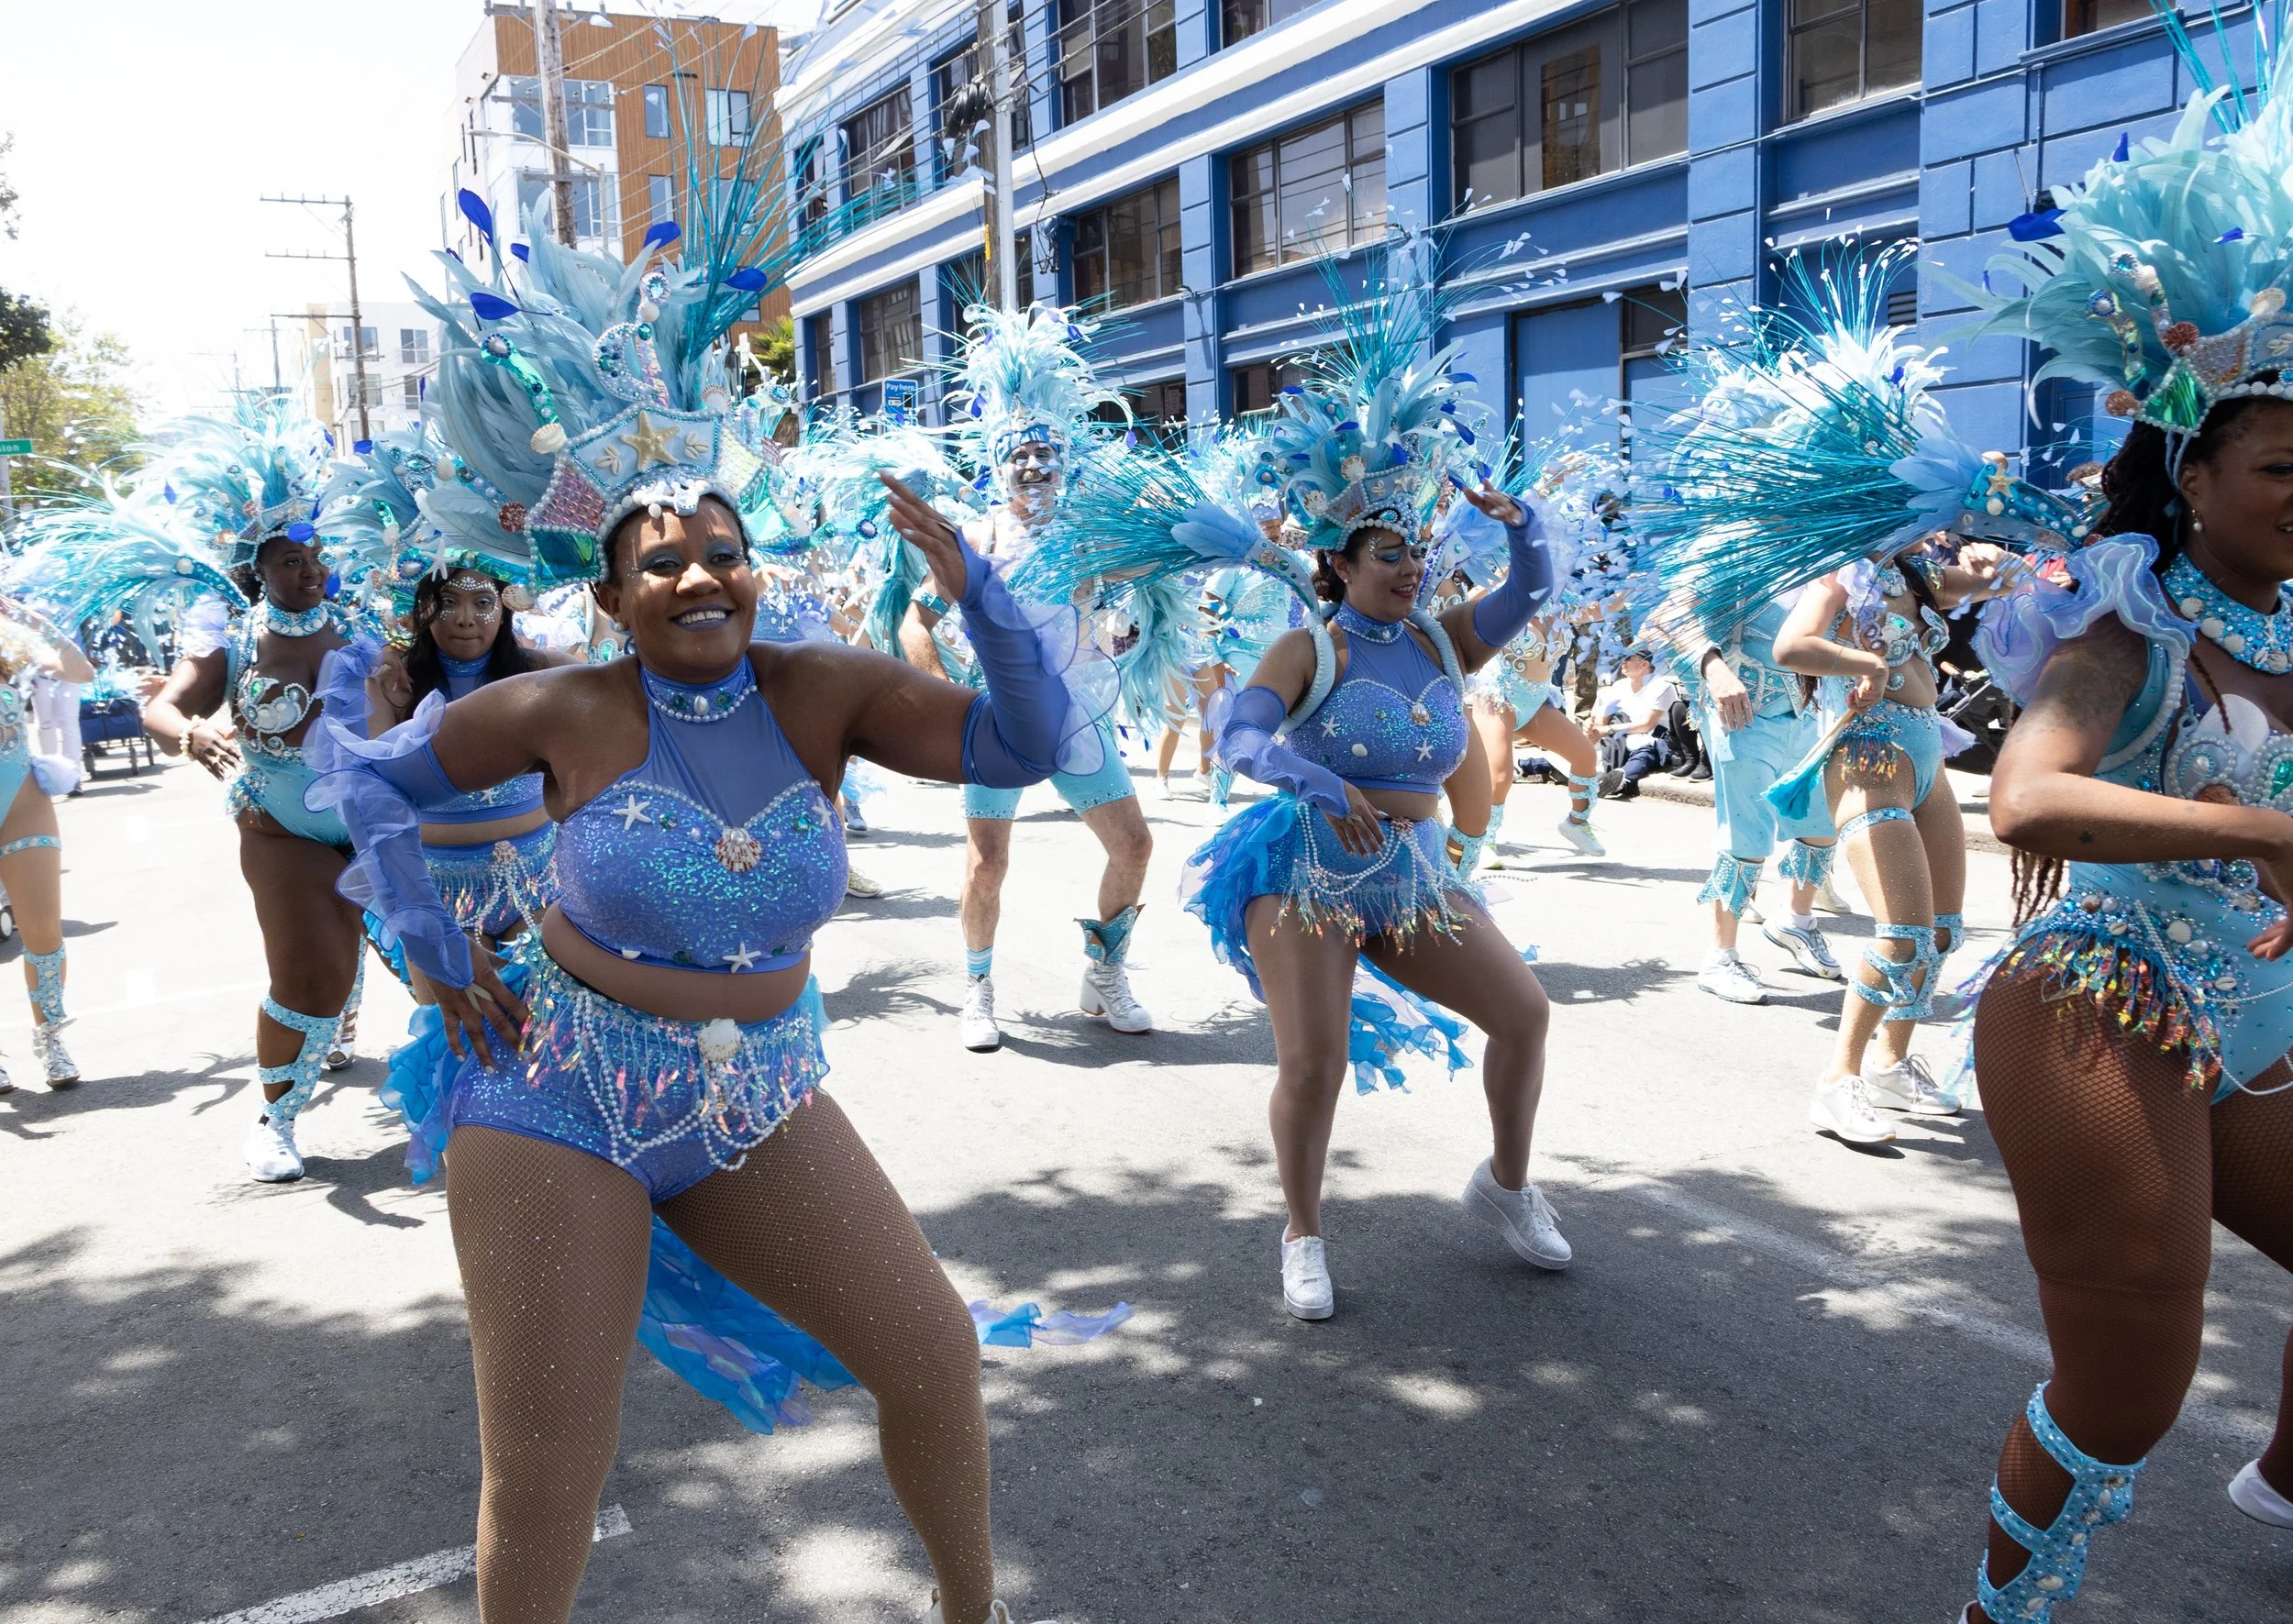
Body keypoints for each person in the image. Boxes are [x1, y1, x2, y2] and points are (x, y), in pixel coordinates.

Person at [324, 213, 1119, 1624]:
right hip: (556, 1092)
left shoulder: (826, 690)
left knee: (932, 1350)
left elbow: (1024, 744)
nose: (698, 575)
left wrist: (980, 595)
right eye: (661, 562)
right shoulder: (562, 705)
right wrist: (433, 950)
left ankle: (973, 1613)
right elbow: (368, 780)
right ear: (612, 596)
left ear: (755, 569)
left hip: (756, 1094)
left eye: (723, 552)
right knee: (554, 1467)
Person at [1943, 31, 2293, 1618]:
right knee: (2128, 1382)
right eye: (2287, 462)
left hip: (2262, 1011)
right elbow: (2028, 794)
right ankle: (2000, 1611)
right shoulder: (2129, 625)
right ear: (2195, 470)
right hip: (2105, 998)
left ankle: (2279, 1479)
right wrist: (2261, 837)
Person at [902, 304, 1152, 1051]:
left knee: (1134, 845)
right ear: (999, 464)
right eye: (1022, 457)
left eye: (1047, 456)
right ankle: (977, 986)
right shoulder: (973, 537)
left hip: (1077, 713)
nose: (1035, 469)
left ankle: (1104, 974)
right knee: (988, 861)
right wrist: (942, 703)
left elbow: (1150, 566)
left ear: (1065, 463)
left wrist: (1197, 543)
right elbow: (915, 622)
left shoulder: (1084, 537)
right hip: (1000, 719)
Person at [138, 397, 374, 1181]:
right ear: (258, 570)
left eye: (315, 557)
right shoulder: (232, 638)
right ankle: (274, 1119)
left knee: (459, 957)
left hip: (378, 823)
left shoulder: (367, 624)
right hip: (281, 828)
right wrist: (191, 733)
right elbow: (163, 705)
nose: (308, 571)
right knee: (309, 975)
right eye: (288, 561)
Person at [1665, 595, 1843, 1003]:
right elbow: (1666, 613)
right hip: (1743, 711)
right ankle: (1721, 957)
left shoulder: (1826, 551)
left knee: (1822, 823)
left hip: (1811, 710)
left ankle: (1796, 921)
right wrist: (1713, 668)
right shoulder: (1732, 538)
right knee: (1747, 835)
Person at [0, 600, 94, 1089]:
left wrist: (34, 621)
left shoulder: (8, 637)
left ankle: (52, 1037)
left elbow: (80, 670)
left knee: (42, 931)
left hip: (20, 801)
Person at [1590, 646, 1679, 800]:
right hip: (1620, 738)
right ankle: (1535, 765)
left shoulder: (1662, 687)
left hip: (1652, 736)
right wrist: (1595, 722)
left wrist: (1608, 729)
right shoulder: (1619, 685)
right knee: (1589, 749)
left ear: (1644, 664)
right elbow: (1603, 719)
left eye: (1628, 658)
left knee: (1645, 754)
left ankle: (1621, 778)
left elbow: (1647, 724)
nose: (1623, 662)